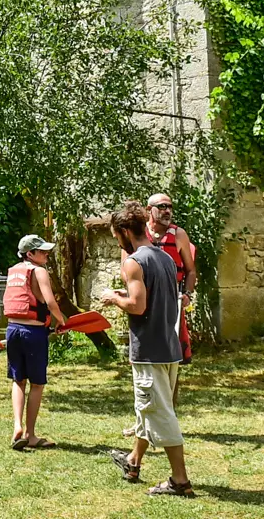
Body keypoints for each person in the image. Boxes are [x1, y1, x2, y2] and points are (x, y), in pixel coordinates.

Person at [102, 200, 193, 497]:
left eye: (117, 235)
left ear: (126, 231)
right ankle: (133, 461)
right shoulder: (165, 258)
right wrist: (125, 294)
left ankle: (179, 481)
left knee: (160, 412)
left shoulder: (134, 261)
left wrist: (114, 299)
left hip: (150, 351)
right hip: (169, 347)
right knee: (148, 408)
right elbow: (154, 300)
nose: (117, 241)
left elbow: (138, 306)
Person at [4, 233, 67, 450]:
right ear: (30, 254)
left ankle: (16, 426)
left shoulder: (14, 271)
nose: (46, 253)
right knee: (37, 384)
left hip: (13, 329)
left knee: (18, 380)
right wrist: (61, 321)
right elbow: (49, 301)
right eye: (42, 251)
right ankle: (30, 435)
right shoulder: (39, 271)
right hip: (34, 333)